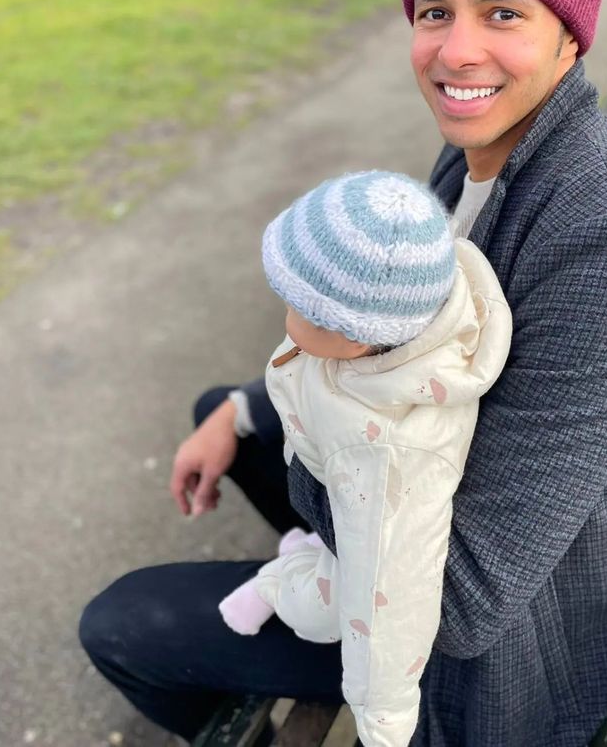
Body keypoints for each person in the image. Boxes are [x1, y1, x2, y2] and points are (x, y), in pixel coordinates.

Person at [79, 0, 607, 747]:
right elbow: (388, 328)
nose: (455, 51)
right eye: (434, 11)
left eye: (503, 13)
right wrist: (248, 409)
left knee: (124, 623)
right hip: (443, 506)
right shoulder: (477, 155)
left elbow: (461, 603)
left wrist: (308, 438)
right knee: (229, 408)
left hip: (512, 651)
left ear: (570, 38)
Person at [217, 169, 512, 747]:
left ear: (355, 337)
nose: (284, 314)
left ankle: (278, 582)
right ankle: (302, 548)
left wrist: (384, 726)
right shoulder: (398, 317)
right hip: (333, 483)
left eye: (297, 305)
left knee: (323, 609)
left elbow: (392, 596)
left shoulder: (390, 456)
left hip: (367, 532)